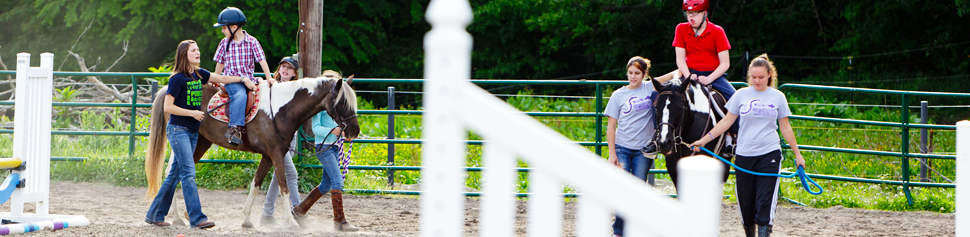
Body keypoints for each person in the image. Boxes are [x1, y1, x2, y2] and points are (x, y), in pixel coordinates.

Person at [689, 54, 806, 237]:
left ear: (769, 75)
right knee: (746, 204)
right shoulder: (740, 95)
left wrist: (798, 155)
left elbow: (785, 127)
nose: (757, 81)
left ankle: (764, 233)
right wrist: (704, 140)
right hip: (744, 154)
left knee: (764, 201)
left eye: (760, 77)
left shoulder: (778, 97)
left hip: (769, 153)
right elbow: (727, 122)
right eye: (753, 77)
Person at [145, 39, 256, 229]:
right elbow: (167, 106)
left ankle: (154, 214)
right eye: (193, 50)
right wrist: (192, 113)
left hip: (191, 131)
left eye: (198, 49)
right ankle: (197, 218)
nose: (198, 52)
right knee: (188, 173)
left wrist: (242, 79)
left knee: (174, 175)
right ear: (184, 55)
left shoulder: (198, 74)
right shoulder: (177, 79)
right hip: (178, 130)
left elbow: (221, 79)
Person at [291, 70, 360, 232]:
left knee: (326, 184)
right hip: (323, 148)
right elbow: (315, 129)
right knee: (337, 181)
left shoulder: (337, 107)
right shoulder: (321, 108)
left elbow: (340, 124)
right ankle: (340, 221)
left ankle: (300, 210)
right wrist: (332, 131)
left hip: (334, 147)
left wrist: (345, 133)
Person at [604, 56, 657, 237]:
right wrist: (612, 154)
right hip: (622, 147)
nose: (633, 77)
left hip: (643, 149)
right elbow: (611, 126)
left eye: (637, 73)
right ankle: (619, 231)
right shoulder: (618, 95)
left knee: (637, 189)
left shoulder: (650, 87)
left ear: (644, 74)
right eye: (630, 73)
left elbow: (675, 74)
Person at [212, 6, 276, 145]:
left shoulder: (252, 41)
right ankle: (234, 128)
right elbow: (220, 63)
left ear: (234, 27)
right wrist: (216, 78)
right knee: (239, 95)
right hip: (231, 81)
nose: (222, 31)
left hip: (249, 80)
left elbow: (261, 60)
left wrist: (269, 77)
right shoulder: (224, 43)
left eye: (224, 28)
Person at [260, 57, 302, 226]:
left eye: (289, 68)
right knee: (291, 174)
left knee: (278, 176)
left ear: (294, 74)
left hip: (292, 136)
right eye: (283, 66)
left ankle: (267, 214)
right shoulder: (271, 86)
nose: (285, 70)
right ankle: (299, 211)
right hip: (275, 138)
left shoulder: (297, 90)